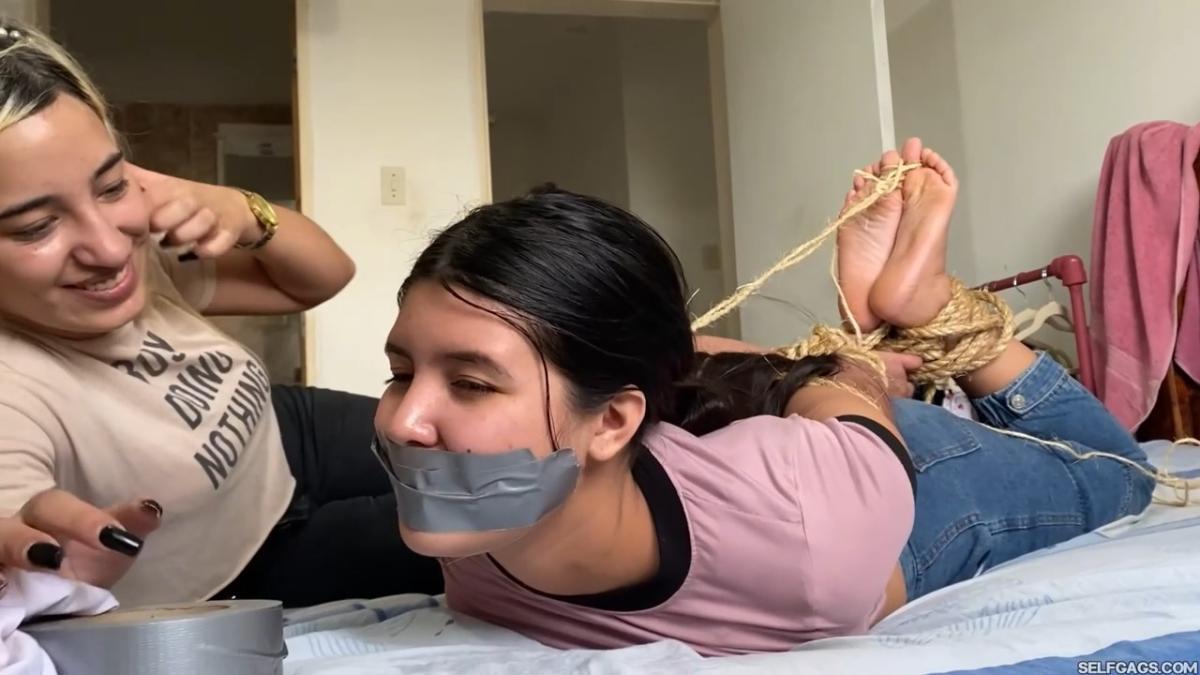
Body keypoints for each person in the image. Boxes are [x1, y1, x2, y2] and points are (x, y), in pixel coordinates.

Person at [371, 138, 1156, 656]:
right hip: (730, 439)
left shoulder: (804, 531)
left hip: (895, 482)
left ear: (612, 420)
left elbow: (838, 391)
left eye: (470, 383)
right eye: (401, 372)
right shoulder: (471, 519)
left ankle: (925, 301)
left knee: (1126, 474)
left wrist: (858, 357)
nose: (404, 423)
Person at [0, 20, 442, 608]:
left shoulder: (145, 250)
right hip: (251, 563)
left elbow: (325, 275)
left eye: (110, 186)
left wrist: (241, 208)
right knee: (488, 531)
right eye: (36, 226)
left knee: (483, 461)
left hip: (285, 428)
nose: (109, 248)